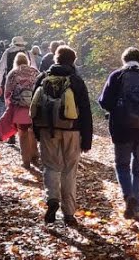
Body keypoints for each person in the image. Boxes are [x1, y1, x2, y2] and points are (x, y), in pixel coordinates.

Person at [98, 47, 139, 219]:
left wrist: (119, 111)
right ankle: (136, 207)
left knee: (122, 165)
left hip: (122, 129)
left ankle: (128, 196)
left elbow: (104, 102)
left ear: (124, 60)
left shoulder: (117, 76)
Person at [31, 45, 93, 225]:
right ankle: (69, 213)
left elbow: (35, 108)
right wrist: (86, 139)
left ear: (55, 59)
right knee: (69, 170)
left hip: (46, 130)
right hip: (72, 130)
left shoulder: (43, 78)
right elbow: (86, 110)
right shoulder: (76, 80)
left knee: (50, 166)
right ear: (73, 61)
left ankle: (52, 199)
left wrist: (37, 132)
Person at [0, 52, 41, 171]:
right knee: (33, 133)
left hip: (20, 109)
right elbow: (42, 88)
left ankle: (26, 161)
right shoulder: (35, 72)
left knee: (23, 134)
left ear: (16, 61)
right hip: (35, 109)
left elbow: (7, 92)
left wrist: (9, 105)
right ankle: (35, 155)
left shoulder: (13, 73)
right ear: (27, 61)